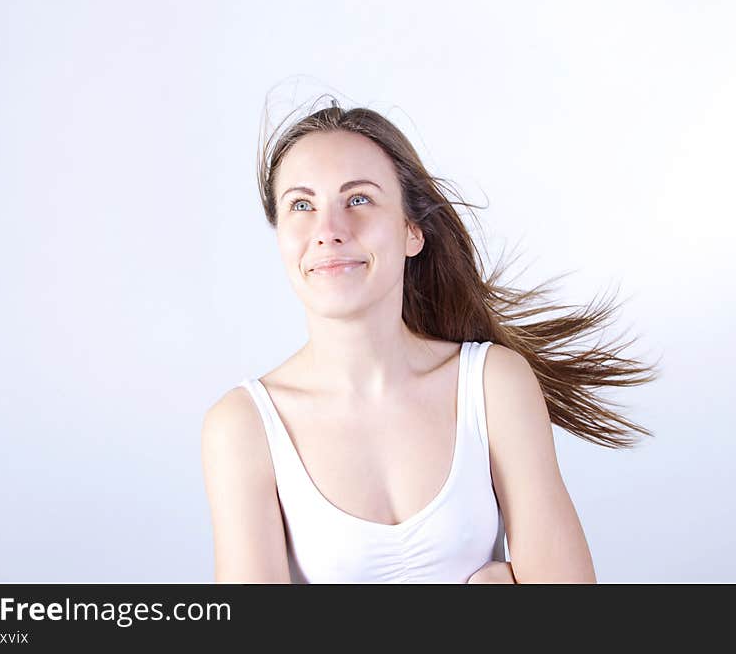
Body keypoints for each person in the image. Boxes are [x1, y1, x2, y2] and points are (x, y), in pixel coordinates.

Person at [200, 96, 660, 583]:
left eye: (358, 199)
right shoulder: (243, 427)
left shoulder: (492, 386)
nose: (328, 230)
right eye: (301, 205)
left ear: (411, 231)